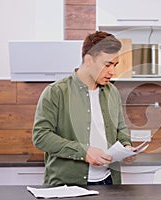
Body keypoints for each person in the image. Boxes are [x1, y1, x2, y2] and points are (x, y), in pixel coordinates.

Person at [32, 31, 135, 186]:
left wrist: (126, 147)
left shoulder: (112, 92)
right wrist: (84, 152)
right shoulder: (56, 92)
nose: (112, 72)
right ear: (88, 60)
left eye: (115, 65)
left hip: (109, 181)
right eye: (107, 65)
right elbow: (41, 136)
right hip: (67, 186)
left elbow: (120, 129)